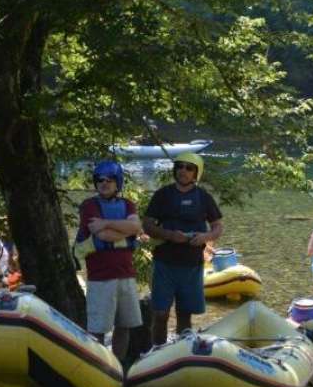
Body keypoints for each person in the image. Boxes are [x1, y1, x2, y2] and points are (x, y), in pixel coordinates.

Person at [143, 152, 223, 345]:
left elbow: (218, 226)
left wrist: (205, 237)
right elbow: (147, 224)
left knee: (185, 315)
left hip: (192, 265)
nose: (183, 171)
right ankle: (158, 353)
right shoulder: (162, 194)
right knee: (160, 314)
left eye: (189, 168)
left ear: (196, 173)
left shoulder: (204, 197)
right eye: (179, 166)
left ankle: (182, 352)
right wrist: (170, 235)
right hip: (164, 263)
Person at [73, 160, 143, 359]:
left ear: (117, 182)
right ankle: (98, 365)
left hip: (126, 275)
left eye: (110, 180)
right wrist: (125, 229)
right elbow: (102, 235)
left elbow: (136, 227)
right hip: (100, 277)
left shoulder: (128, 204)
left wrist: (107, 223)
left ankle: (118, 365)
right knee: (98, 329)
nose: (104, 183)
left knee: (124, 325)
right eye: (100, 180)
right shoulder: (89, 206)